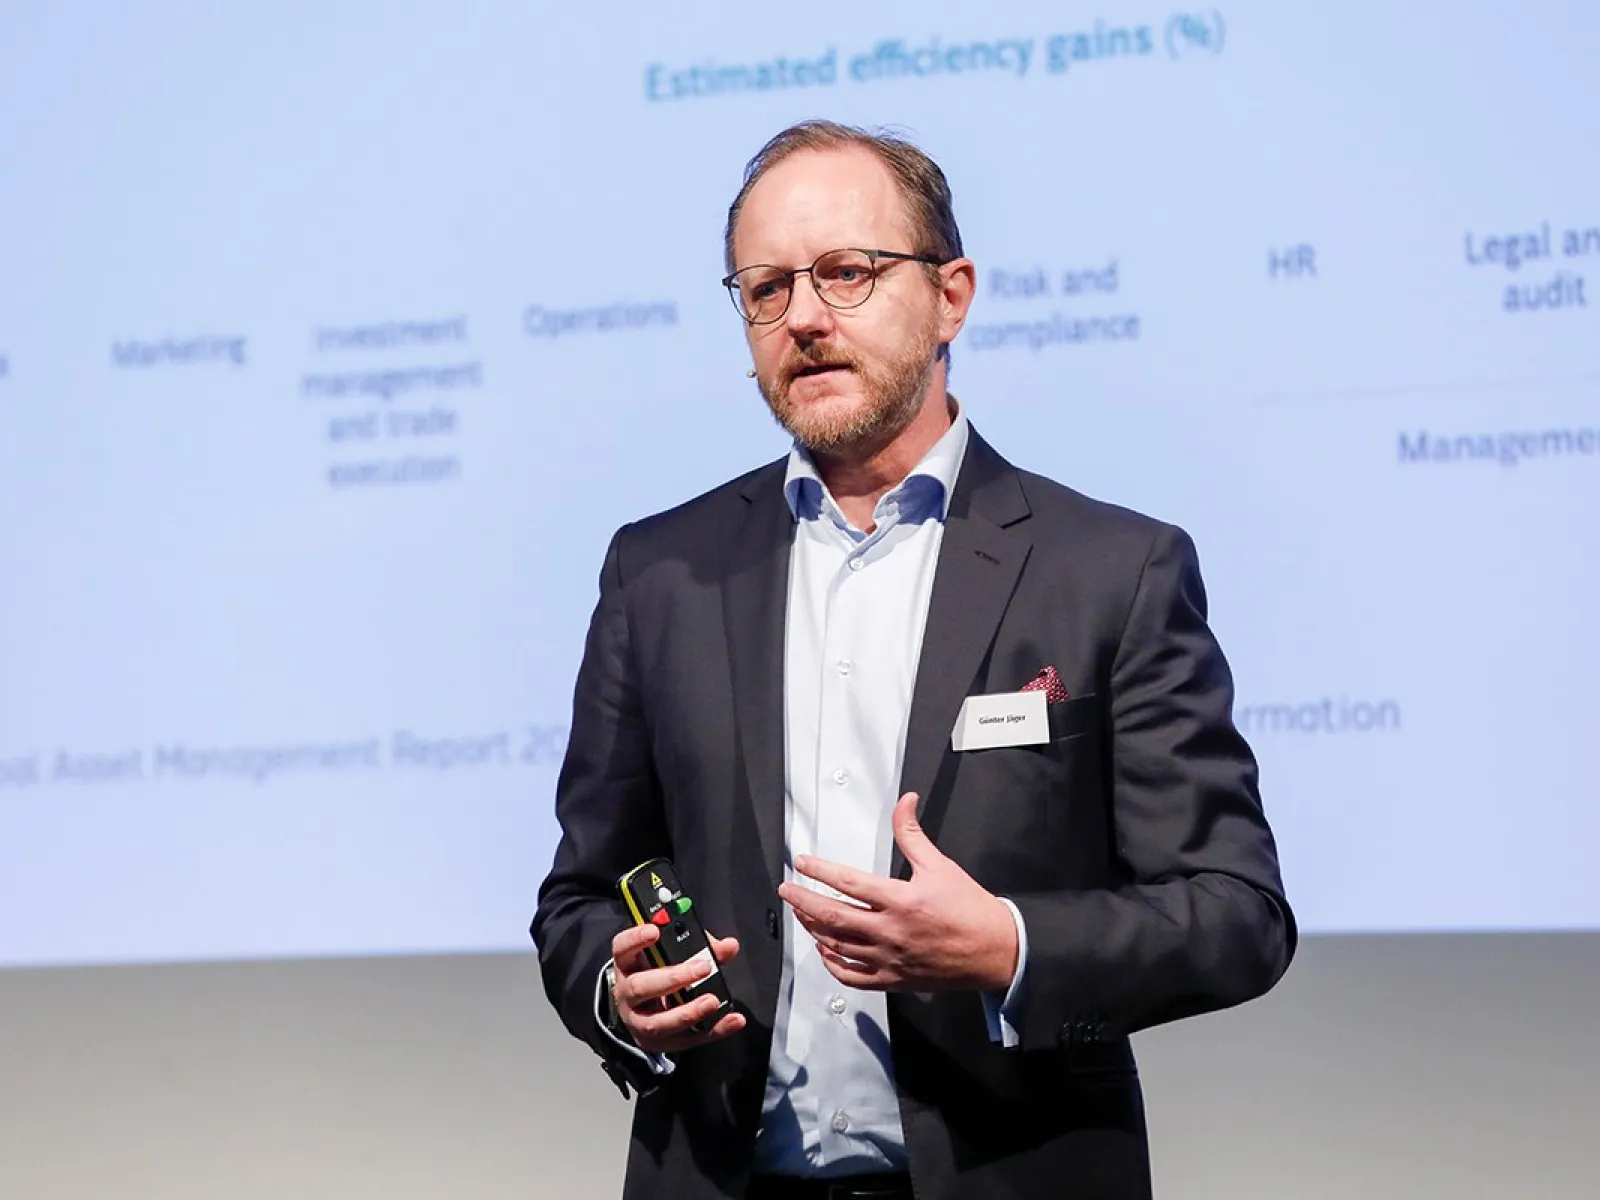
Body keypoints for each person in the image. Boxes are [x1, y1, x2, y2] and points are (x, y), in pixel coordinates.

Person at [532, 119, 1294, 1200]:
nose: (802, 316)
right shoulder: (659, 572)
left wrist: (1007, 945)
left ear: (952, 296)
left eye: (846, 272)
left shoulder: (1110, 571)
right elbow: (580, 895)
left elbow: (1233, 915)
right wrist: (619, 995)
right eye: (764, 288)